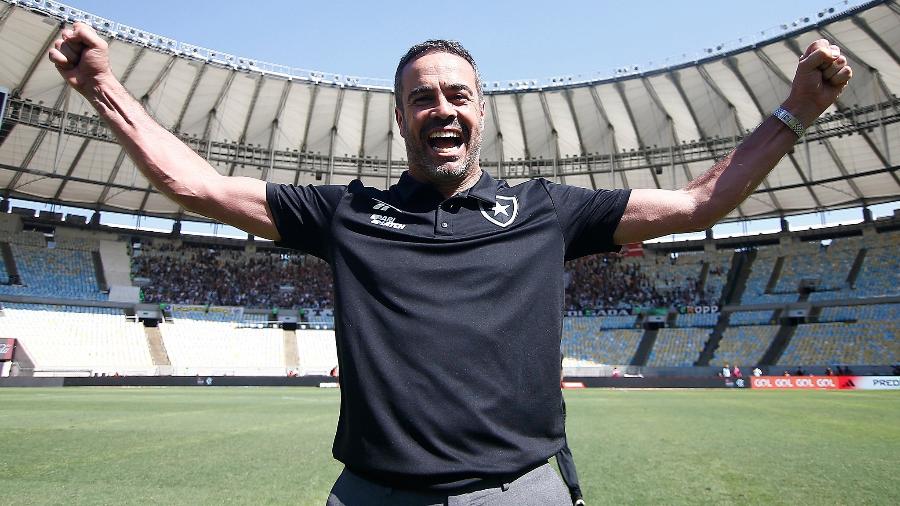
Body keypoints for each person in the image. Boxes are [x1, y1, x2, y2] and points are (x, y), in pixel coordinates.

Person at [49, 24, 851, 505]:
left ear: (481, 111)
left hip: (522, 491)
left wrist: (798, 111)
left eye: (457, 95)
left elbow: (699, 203)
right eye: (424, 97)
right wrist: (101, 86)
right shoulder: (346, 212)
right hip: (374, 494)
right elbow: (195, 184)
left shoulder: (544, 210)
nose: (443, 108)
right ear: (400, 117)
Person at [556, 356, 585, 506]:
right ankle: (576, 494)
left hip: (539, 396)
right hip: (555, 398)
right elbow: (560, 373)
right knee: (562, 446)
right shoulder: (553, 346)